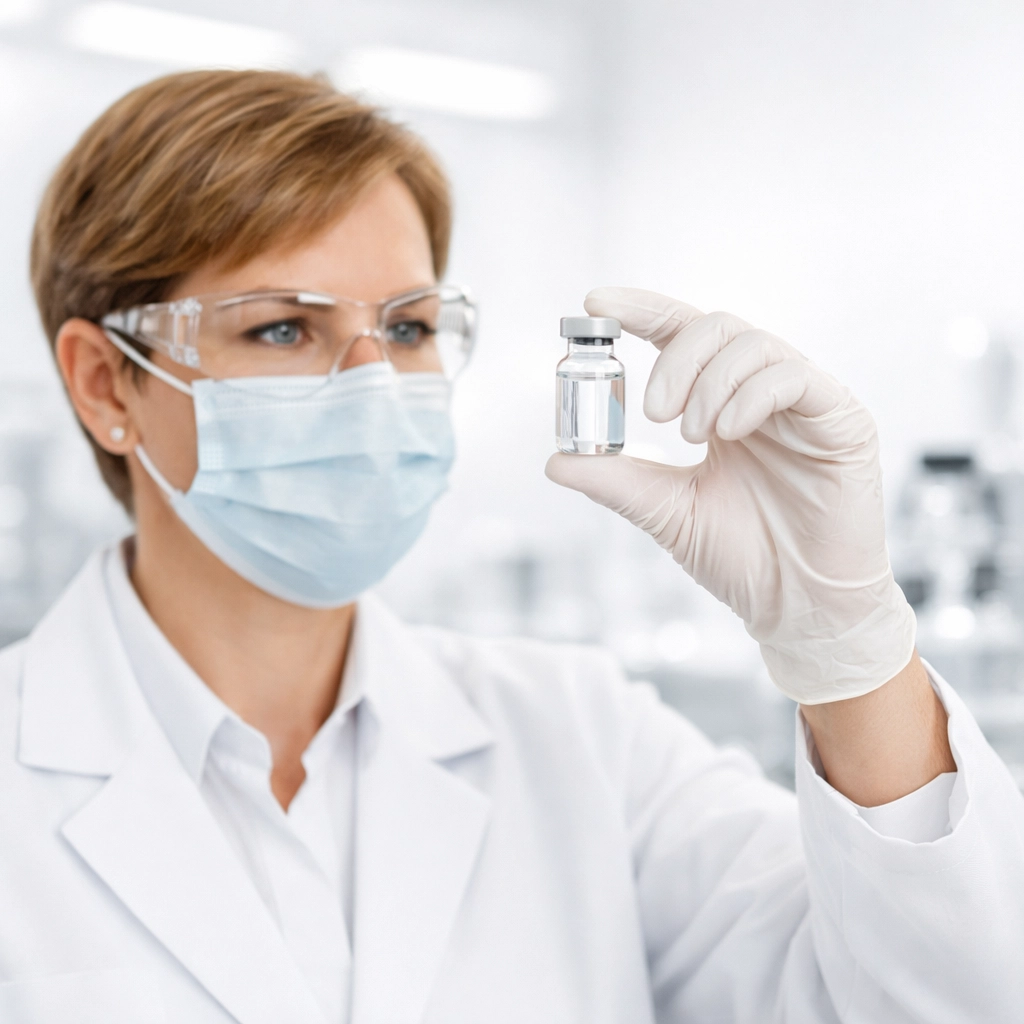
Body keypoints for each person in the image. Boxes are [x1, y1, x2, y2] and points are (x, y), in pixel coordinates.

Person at [0, 69, 1021, 1024]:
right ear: (105, 382)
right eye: (280, 329)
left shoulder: (583, 739)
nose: (375, 389)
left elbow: (940, 996)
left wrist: (844, 645)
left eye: (407, 330)